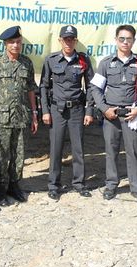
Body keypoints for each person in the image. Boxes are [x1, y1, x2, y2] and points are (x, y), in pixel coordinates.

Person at [91, 24, 137, 201]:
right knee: (111, 151)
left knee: (133, 151)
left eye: (128, 39)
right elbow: (95, 88)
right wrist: (104, 109)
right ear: (116, 40)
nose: (125, 42)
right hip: (112, 115)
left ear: (134, 41)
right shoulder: (106, 63)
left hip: (132, 115)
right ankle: (111, 185)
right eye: (122, 38)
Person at [40, 25, 95, 201]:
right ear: (60, 40)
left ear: (76, 41)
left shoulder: (83, 60)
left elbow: (91, 86)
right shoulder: (51, 60)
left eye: (71, 39)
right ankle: (53, 185)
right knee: (56, 149)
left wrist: (89, 110)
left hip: (77, 110)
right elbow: (44, 87)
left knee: (78, 149)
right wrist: (45, 111)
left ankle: (79, 183)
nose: (68, 42)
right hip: (57, 110)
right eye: (65, 39)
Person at [0, 25, 38, 204]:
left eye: (18, 42)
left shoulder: (27, 63)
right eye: (11, 42)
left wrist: (34, 113)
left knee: (19, 154)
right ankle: (0, 188)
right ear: (5, 44)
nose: (15, 45)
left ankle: (14, 185)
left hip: (22, 116)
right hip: (1, 118)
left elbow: (31, 89)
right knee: (0, 155)